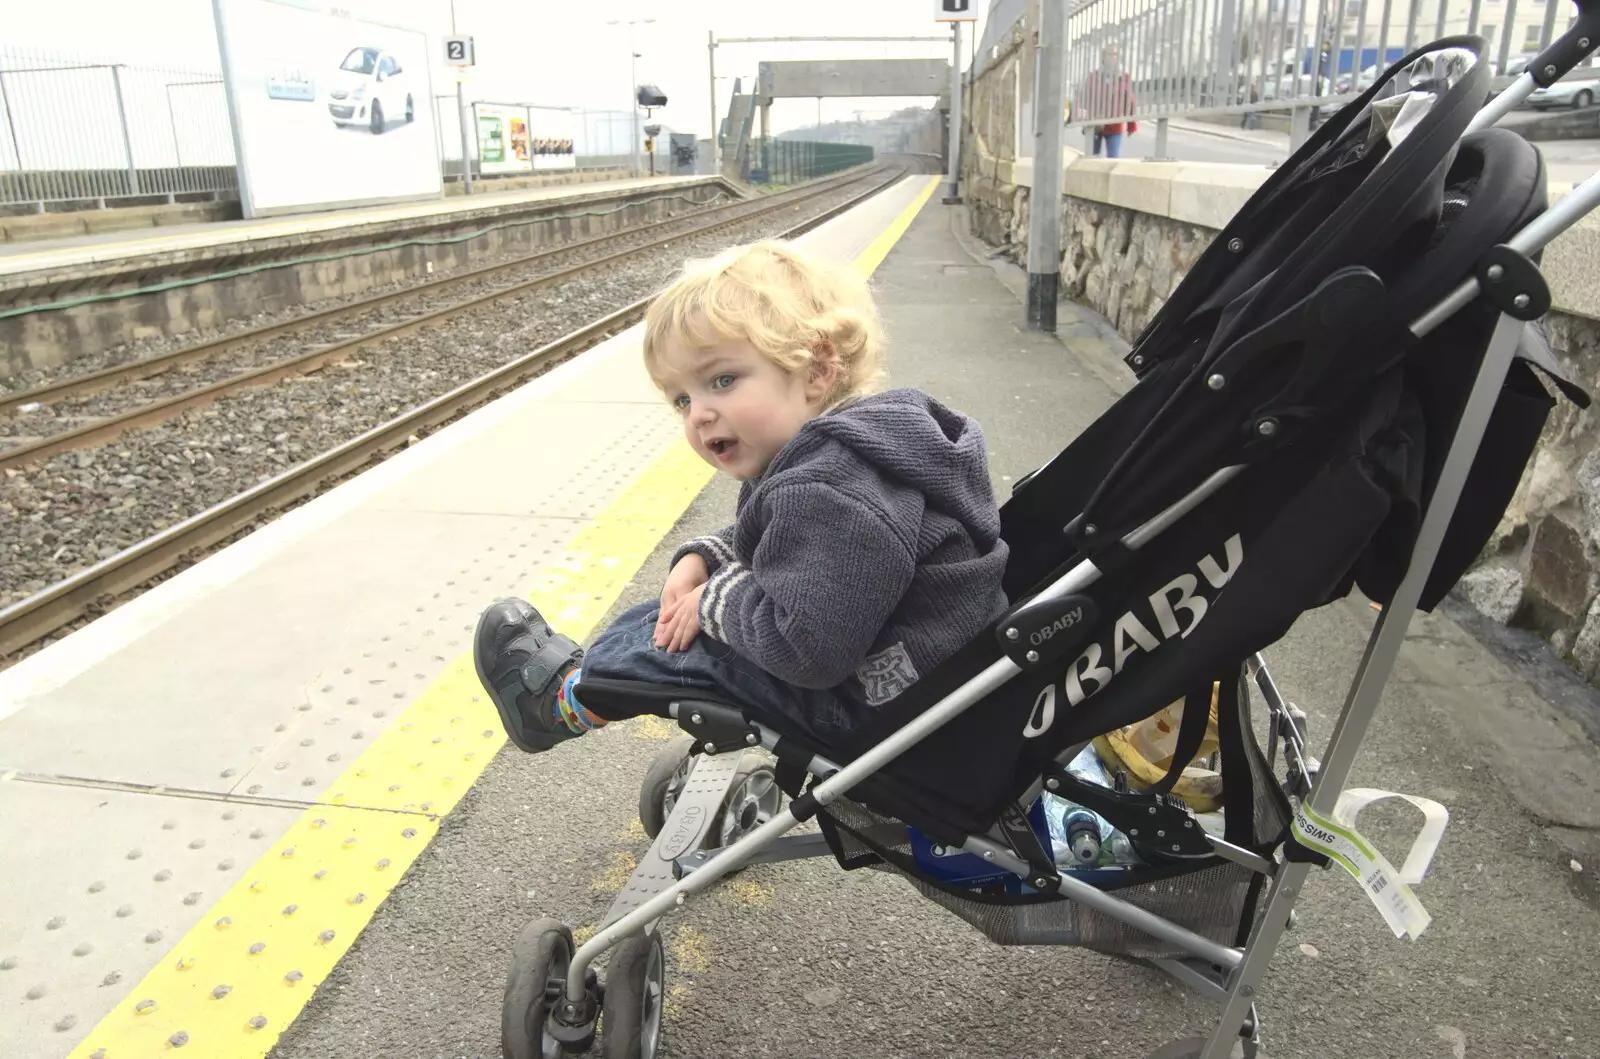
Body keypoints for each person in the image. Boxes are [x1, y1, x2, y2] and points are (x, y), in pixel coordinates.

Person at [473, 240, 1011, 752]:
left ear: (817, 370)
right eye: (683, 398)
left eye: (723, 381)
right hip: (929, 671)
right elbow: (789, 535)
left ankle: (560, 706)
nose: (699, 412)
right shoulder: (856, 448)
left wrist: (712, 598)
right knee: (662, 614)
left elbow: (807, 650)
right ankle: (587, 680)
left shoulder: (830, 487)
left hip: (874, 703)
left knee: (677, 648)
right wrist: (709, 558)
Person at [1079, 44, 1137, 158]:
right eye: (1110, 54)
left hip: (1115, 124)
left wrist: (1131, 125)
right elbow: (1083, 99)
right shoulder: (1092, 77)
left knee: (1113, 158)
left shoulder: (1123, 77)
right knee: (1091, 158)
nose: (1113, 57)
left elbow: (1130, 101)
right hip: (1095, 124)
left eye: (1115, 54)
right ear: (1103, 57)